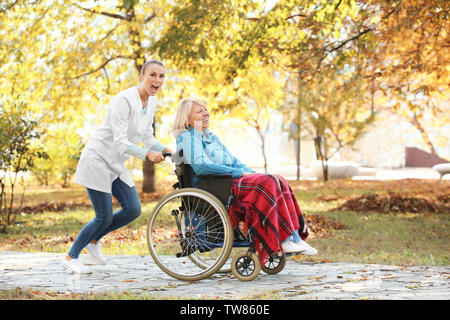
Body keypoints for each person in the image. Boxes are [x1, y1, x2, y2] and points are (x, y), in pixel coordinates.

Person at [173, 98, 317, 265]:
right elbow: (202, 167)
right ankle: (283, 240)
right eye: (199, 111)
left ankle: (294, 237)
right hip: (214, 186)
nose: (206, 113)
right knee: (269, 180)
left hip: (227, 181)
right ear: (187, 119)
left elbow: (234, 160)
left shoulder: (211, 137)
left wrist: (252, 174)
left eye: (206, 109)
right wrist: (239, 173)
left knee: (277, 179)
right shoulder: (188, 137)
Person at [61, 60, 172, 274]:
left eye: (161, 76)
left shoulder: (151, 102)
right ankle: (70, 256)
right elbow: (121, 141)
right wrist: (148, 154)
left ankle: (94, 240)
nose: (157, 80)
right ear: (142, 76)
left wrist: (168, 151)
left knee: (133, 209)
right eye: (152, 75)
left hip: (115, 163)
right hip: (97, 160)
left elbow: (147, 136)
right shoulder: (123, 100)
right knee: (104, 216)